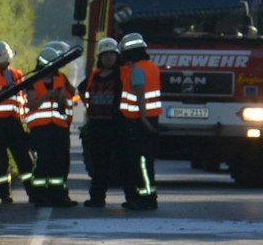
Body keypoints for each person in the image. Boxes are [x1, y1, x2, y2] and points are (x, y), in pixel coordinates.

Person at [23, 44, 80, 207]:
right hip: (40, 130)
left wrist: (64, 97)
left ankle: (59, 195)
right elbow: (32, 104)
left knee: (61, 162)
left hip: (60, 128)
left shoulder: (61, 79)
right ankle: (40, 196)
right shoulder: (33, 82)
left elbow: (74, 95)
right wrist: (49, 95)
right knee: (43, 162)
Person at [0, 41, 32, 203]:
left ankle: (33, 191)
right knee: (1, 162)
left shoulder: (17, 74)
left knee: (24, 159)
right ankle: (4, 194)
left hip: (14, 123)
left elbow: (24, 98)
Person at [117, 31, 164, 210]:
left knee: (141, 162)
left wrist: (143, 117)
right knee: (147, 161)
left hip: (138, 122)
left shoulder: (136, 70)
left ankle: (146, 197)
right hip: (151, 120)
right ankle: (147, 195)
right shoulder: (152, 67)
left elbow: (140, 92)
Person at [79, 37, 123, 208]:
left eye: (112, 54)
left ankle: (132, 196)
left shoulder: (121, 74)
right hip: (97, 125)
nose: (109, 58)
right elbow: (81, 90)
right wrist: (88, 107)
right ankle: (97, 197)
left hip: (115, 124)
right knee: (99, 164)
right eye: (105, 55)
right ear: (100, 57)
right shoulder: (94, 76)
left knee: (121, 161)